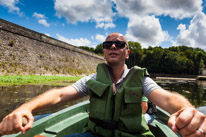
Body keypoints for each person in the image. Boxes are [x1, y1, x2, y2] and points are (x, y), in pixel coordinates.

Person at [0, 33, 206, 137]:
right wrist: (26, 107)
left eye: (119, 44)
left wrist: (186, 109)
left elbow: (167, 98)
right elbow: (60, 95)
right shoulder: (92, 79)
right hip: (94, 134)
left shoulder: (142, 80)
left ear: (127, 52)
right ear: (104, 52)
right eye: (108, 45)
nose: (113, 46)